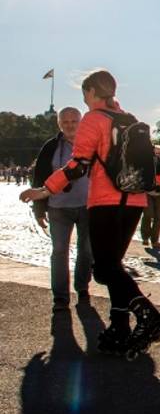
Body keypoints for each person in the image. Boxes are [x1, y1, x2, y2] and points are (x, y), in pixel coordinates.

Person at [19, 70, 160, 355]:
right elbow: (155, 163)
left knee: (105, 268)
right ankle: (119, 326)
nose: (84, 100)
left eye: (85, 94)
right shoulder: (131, 120)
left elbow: (78, 165)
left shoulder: (93, 120)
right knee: (113, 265)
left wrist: (45, 190)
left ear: (92, 93)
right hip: (134, 203)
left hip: (105, 202)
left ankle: (149, 315)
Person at [30, 107, 93, 312]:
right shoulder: (51, 147)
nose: (70, 125)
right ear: (59, 124)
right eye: (65, 122)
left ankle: (82, 287)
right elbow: (39, 178)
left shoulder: (92, 144)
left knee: (86, 251)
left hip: (88, 207)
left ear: (81, 122)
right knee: (59, 251)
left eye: (74, 121)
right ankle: (60, 297)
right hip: (58, 207)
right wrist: (39, 211)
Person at [139, 144, 160, 249]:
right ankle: (145, 236)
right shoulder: (146, 164)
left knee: (158, 217)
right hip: (148, 193)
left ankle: (155, 240)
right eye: (156, 153)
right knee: (148, 214)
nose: (158, 155)